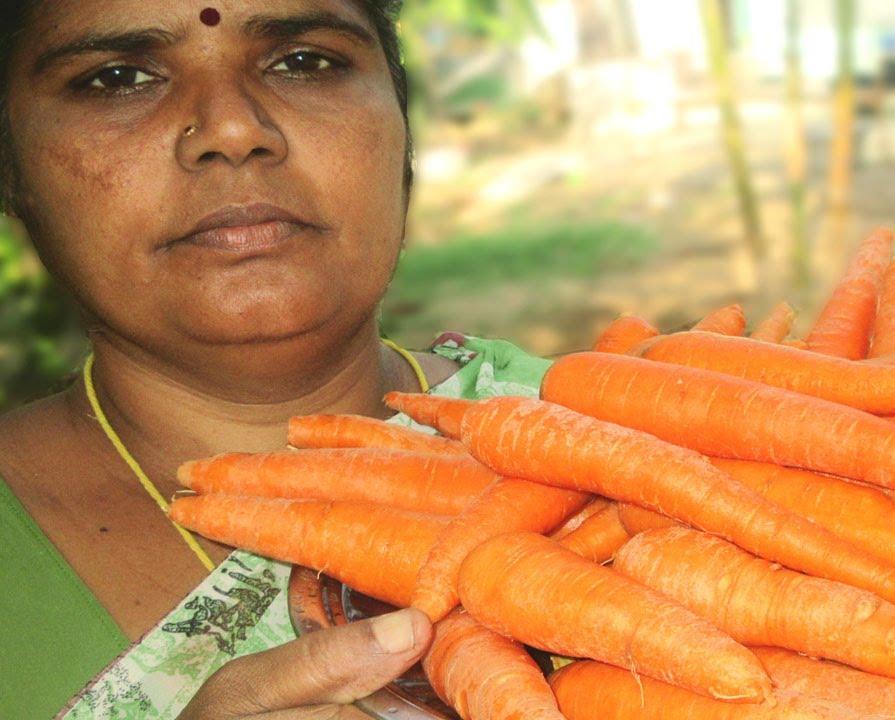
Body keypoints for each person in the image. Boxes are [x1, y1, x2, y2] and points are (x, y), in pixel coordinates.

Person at [0, 1, 549, 717]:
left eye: (304, 62)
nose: (232, 130)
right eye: (118, 77)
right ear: (12, 170)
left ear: (402, 128)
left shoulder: (607, 436)